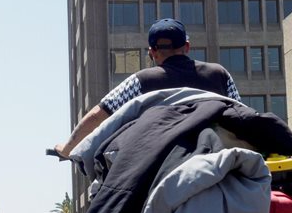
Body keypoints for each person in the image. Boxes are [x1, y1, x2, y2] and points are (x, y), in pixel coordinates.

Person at [52, 18, 241, 158]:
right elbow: (240, 113)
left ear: (152, 53)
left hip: (160, 161)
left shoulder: (141, 81)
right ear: (187, 47)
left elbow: (98, 115)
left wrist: (68, 149)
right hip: (216, 156)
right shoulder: (220, 74)